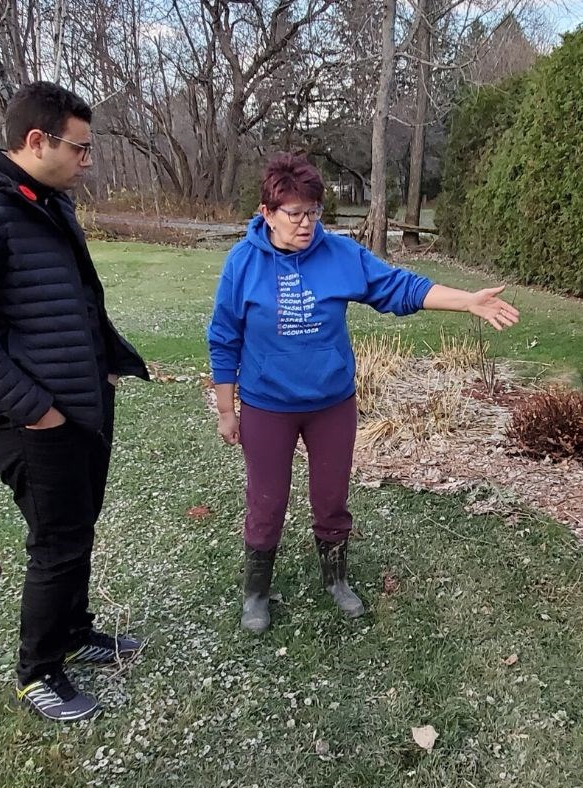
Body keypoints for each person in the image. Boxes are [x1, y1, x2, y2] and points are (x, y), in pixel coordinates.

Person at [208, 154, 520, 634]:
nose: (307, 223)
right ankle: (255, 593)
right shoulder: (243, 263)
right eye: (295, 214)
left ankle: (335, 580)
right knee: (267, 501)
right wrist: (228, 409)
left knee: (331, 498)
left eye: (314, 212)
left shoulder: (339, 255)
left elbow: (398, 286)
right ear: (267, 213)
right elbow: (224, 336)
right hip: (268, 406)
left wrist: (467, 302)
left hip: (331, 405)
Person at [0, 81, 150, 722]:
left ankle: (73, 633)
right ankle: (37, 669)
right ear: (35, 140)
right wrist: (34, 409)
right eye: (79, 148)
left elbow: (75, 300)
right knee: (57, 539)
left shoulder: (45, 203)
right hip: (30, 416)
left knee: (77, 530)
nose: (87, 160)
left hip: (76, 401)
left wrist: (104, 366)